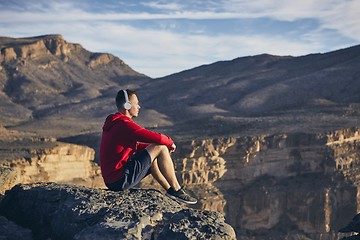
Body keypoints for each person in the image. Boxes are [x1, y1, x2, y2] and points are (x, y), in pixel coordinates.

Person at [100, 89, 197, 204]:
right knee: (160, 147)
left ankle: (171, 191)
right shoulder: (123, 124)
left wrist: (151, 148)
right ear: (127, 105)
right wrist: (169, 142)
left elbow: (136, 146)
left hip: (113, 180)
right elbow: (156, 138)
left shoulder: (116, 122)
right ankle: (176, 189)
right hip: (119, 179)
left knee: (153, 154)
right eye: (136, 103)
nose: (139, 107)